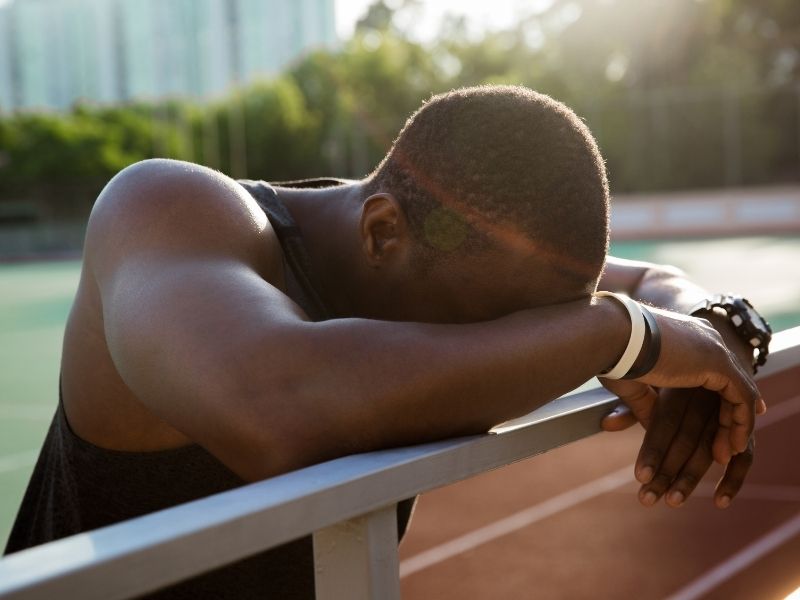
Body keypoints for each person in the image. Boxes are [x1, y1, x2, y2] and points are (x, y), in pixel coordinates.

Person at [4, 85, 769, 598]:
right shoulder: (166, 209)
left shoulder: (463, 256)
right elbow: (280, 408)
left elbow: (648, 285)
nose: (513, 354)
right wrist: (612, 334)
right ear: (382, 232)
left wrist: (710, 325)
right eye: (505, 330)